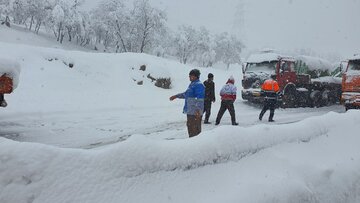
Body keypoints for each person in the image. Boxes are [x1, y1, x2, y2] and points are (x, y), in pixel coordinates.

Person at [169, 69, 205, 137]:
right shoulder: (192, 84)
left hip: (195, 112)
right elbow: (186, 94)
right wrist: (176, 96)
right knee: (191, 129)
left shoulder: (199, 85)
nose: (189, 77)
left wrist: (198, 110)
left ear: (196, 76)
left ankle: (195, 145)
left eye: (191, 76)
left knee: (195, 131)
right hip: (190, 111)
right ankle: (192, 144)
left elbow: (200, 98)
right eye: (189, 75)